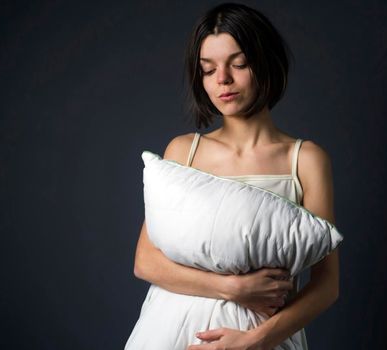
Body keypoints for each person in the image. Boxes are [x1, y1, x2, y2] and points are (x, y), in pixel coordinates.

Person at [131, 3, 339, 349]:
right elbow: (146, 261)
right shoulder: (184, 151)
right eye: (208, 70)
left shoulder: (304, 160)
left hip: (264, 339)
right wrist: (233, 288)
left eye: (238, 64)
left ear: (265, 62)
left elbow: (327, 286)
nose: (222, 80)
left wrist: (252, 342)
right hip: (172, 334)